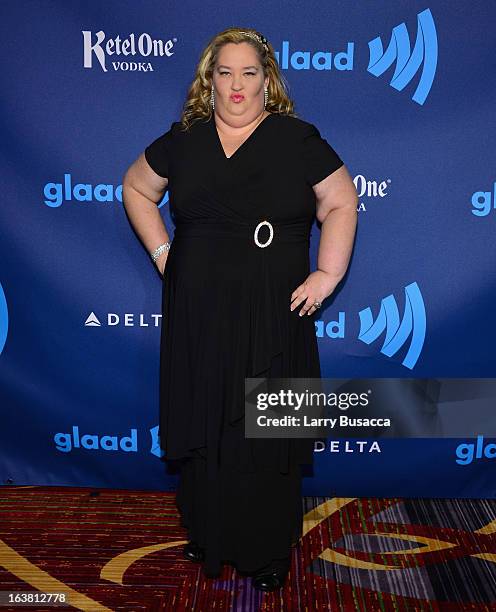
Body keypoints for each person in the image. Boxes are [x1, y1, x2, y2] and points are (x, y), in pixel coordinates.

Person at [122, 27, 357, 592]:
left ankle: (269, 547)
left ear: (267, 79)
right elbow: (135, 187)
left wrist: (327, 275)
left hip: (274, 310)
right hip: (198, 308)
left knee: (268, 426)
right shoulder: (184, 139)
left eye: (249, 72)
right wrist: (163, 252)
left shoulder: (298, 140)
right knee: (205, 416)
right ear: (209, 80)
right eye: (223, 72)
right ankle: (208, 531)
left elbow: (342, 200)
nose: (236, 84)